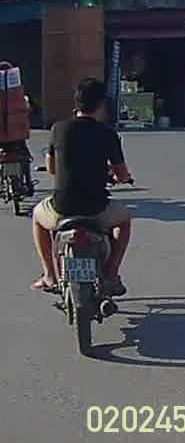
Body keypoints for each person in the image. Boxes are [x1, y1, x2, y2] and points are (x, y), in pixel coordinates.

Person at [31, 78, 133, 296]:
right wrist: (118, 177)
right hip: (97, 209)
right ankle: (111, 275)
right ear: (101, 104)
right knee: (124, 220)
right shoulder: (107, 133)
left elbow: (51, 168)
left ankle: (49, 276)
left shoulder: (59, 128)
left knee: (38, 217)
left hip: (61, 208)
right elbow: (122, 174)